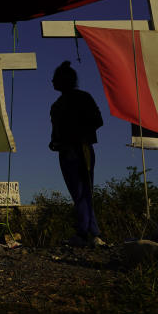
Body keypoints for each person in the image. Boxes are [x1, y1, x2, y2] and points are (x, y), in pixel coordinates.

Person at [49, 61, 105, 247]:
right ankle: (90, 232)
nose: (52, 81)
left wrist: (77, 134)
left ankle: (86, 232)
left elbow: (97, 120)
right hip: (68, 151)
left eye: (55, 79)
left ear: (64, 81)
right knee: (80, 192)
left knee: (83, 191)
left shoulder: (78, 100)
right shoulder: (58, 105)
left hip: (81, 148)